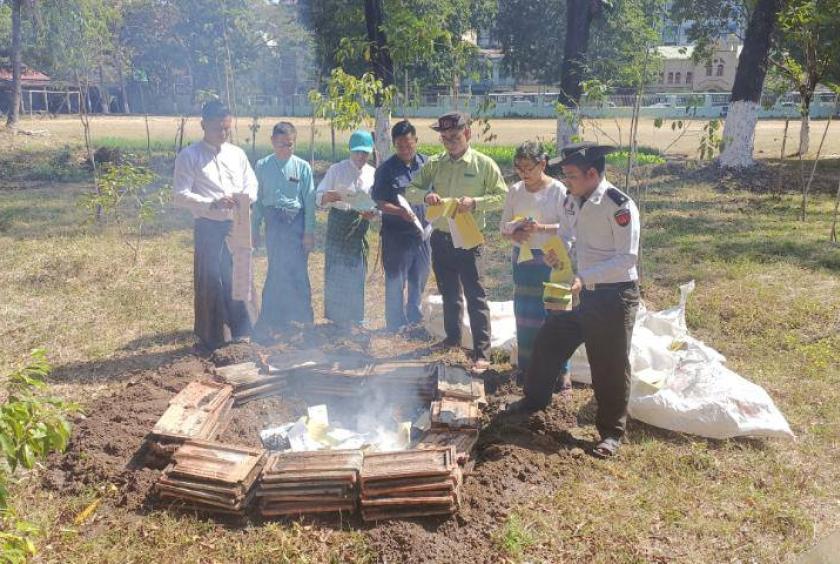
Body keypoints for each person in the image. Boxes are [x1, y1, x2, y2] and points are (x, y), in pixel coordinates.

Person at [512, 142, 640, 459]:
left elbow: (627, 259)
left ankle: (611, 433)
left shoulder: (619, 206)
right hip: (578, 289)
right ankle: (533, 402)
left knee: (608, 364)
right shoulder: (572, 201)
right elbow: (568, 235)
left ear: (592, 173)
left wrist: (586, 277)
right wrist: (557, 253)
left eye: (570, 176)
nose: (565, 182)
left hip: (612, 295)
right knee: (548, 343)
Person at [406, 112, 508, 372]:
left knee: (476, 296)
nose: (450, 142)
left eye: (455, 136)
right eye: (445, 138)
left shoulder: (483, 164)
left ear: (468, 134)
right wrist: (426, 195)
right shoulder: (435, 164)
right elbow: (410, 190)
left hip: (470, 240)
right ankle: (452, 340)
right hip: (441, 238)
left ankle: (481, 351)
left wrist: (475, 203)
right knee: (450, 293)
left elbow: (502, 197)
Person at [173, 100, 258, 351]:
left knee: (240, 275)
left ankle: (244, 329)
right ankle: (215, 335)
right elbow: (179, 195)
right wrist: (212, 203)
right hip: (208, 226)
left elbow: (251, 183)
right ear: (203, 125)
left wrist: (244, 197)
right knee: (212, 279)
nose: (222, 134)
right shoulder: (190, 156)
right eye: (217, 129)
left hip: (237, 223)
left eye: (226, 129)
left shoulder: (237, 154)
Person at [500, 141, 570, 392]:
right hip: (525, 259)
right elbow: (503, 226)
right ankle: (527, 369)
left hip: (552, 258)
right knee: (525, 316)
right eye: (519, 168)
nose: (523, 173)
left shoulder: (558, 191)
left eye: (528, 167)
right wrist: (513, 234)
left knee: (553, 315)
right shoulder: (515, 191)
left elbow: (569, 227)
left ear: (543, 163)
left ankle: (560, 373)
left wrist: (541, 229)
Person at [252, 121, 315, 337]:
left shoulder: (302, 167)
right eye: (281, 145)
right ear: (272, 141)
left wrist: (308, 232)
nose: (285, 150)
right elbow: (258, 201)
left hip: (295, 224)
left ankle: (301, 320)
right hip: (273, 223)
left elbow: (309, 203)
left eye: (290, 145)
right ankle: (272, 320)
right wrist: (254, 229)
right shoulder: (262, 166)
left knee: (298, 271)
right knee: (276, 269)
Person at [371, 120, 431, 333]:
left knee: (419, 277)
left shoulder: (427, 165)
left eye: (409, 144)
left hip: (423, 235)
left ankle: (414, 320)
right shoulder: (386, 170)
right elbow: (378, 201)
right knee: (396, 280)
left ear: (416, 141)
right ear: (395, 145)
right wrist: (399, 211)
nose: (405, 149)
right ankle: (395, 324)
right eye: (400, 146)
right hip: (396, 236)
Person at [316, 130, 378, 326]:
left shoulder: (372, 173)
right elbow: (318, 196)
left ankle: (357, 317)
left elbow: (376, 203)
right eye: (357, 152)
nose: (361, 157)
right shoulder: (337, 170)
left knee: (357, 268)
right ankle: (336, 317)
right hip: (338, 221)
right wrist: (330, 196)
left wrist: (373, 213)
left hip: (360, 223)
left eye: (365, 153)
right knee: (335, 269)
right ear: (350, 150)